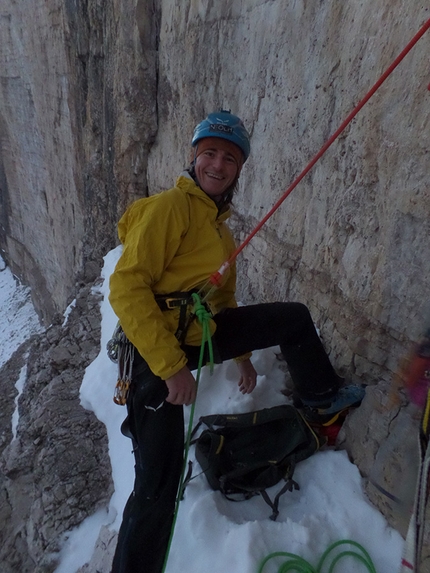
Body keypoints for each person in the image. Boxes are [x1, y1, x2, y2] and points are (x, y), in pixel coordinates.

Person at [108, 110, 364, 573]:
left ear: (239, 168)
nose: (217, 165)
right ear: (193, 157)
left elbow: (222, 303)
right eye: (209, 153)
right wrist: (170, 368)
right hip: (154, 349)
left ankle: (322, 398)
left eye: (229, 157)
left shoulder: (220, 231)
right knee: (157, 488)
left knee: (292, 319)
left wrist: (241, 356)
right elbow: (126, 288)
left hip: (193, 334)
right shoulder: (172, 209)